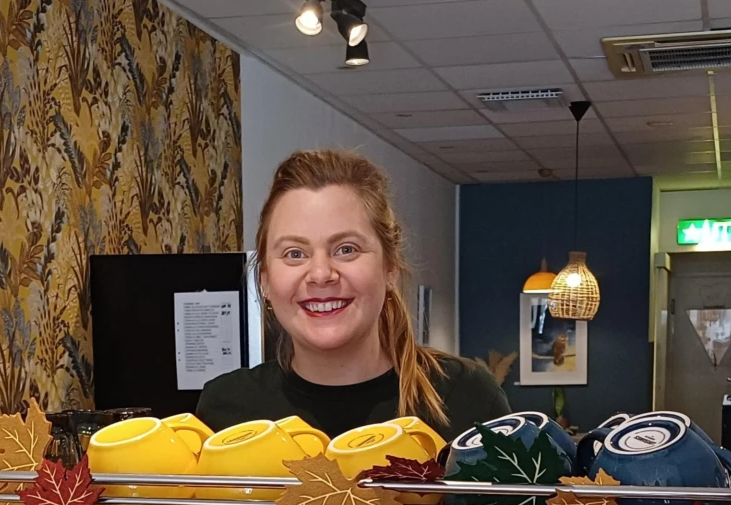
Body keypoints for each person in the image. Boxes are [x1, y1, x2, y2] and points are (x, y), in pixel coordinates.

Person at [196, 149, 508, 441]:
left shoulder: (467, 398)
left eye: (346, 249)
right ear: (264, 280)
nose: (321, 274)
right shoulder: (228, 409)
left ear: (389, 268)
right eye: (295, 253)